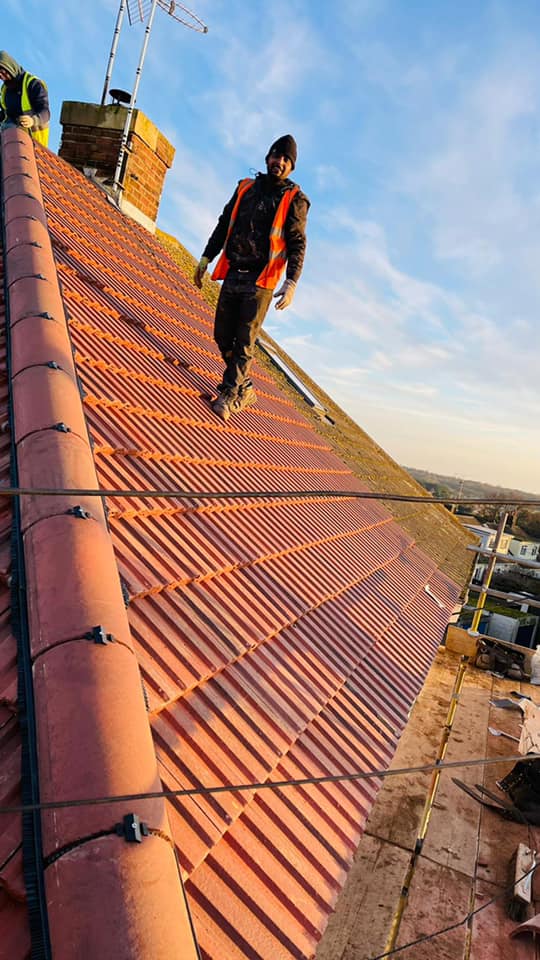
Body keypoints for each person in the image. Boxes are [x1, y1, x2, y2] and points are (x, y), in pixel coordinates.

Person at [193, 134, 309, 421]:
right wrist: (206, 257)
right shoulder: (245, 188)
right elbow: (224, 223)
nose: (279, 162)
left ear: (291, 167)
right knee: (222, 335)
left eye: (286, 159)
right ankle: (244, 386)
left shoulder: (295, 199)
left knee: (244, 340)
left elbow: (297, 243)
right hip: (235, 270)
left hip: (261, 280)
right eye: (276, 155)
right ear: (267, 158)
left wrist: (291, 282)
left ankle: (230, 394)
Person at [0, 50, 50, 146]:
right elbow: (5, 114)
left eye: (2, 72)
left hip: (35, 143)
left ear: (9, 67)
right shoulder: (5, 89)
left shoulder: (33, 84)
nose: (1, 77)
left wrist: (32, 120)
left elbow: (45, 112)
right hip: (12, 137)